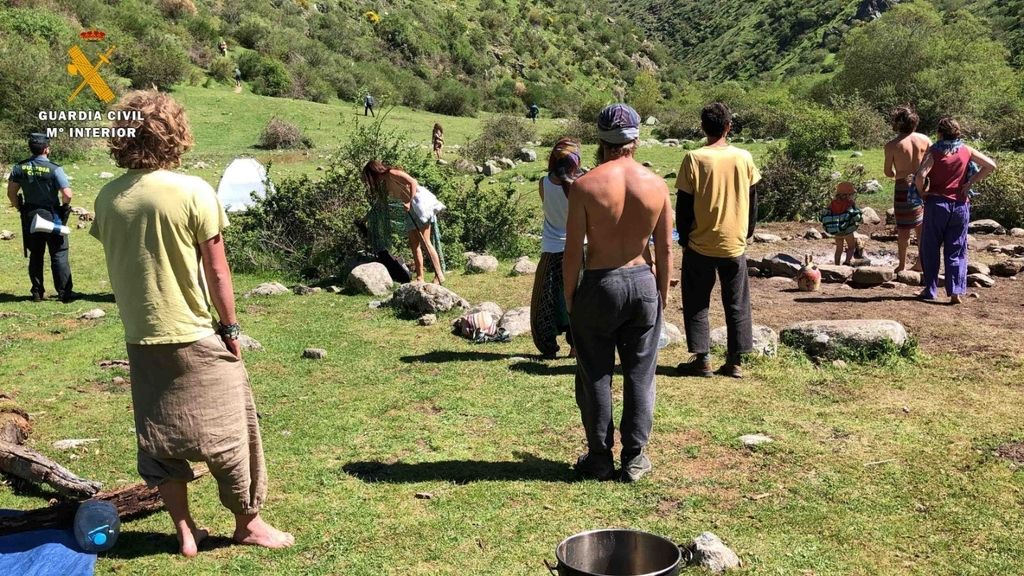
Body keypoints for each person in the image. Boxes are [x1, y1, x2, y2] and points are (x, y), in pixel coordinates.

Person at [89, 90, 294, 557]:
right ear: (174, 133)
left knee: (159, 440)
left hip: (142, 336)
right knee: (232, 432)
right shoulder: (193, 191)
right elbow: (218, 270)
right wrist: (232, 327)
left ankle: (186, 532)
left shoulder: (107, 197)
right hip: (194, 330)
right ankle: (248, 523)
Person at [564, 104, 671, 483]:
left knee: (595, 373)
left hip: (599, 283)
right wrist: (663, 291)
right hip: (642, 280)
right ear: (635, 140)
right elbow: (665, 248)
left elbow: (573, 250)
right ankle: (635, 458)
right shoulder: (656, 185)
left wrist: (570, 296)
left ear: (601, 141)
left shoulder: (584, 186)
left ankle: (599, 457)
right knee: (641, 373)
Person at [675, 102, 759, 379]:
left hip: (700, 243)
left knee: (697, 300)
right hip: (734, 243)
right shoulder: (744, 157)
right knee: (737, 301)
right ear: (728, 126)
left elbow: (684, 205)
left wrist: (684, 238)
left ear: (703, 127)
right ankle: (734, 360)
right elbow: (753, 200)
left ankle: (703, 358)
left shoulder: (694, 158)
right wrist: (746, 232)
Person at [914, 117, 996, 304]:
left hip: (937, 204)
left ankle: (930, 289)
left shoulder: (934, 151)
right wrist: (969, 183)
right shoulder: (967, 150)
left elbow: (920, 175)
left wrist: (922, 192)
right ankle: (955, 292)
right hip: (960, 205)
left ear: (940, 133)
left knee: (930, 248)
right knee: (956, 249)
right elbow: (991, 166)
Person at [6, 133, 75, 302]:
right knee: (59, 252)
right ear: (46, 149)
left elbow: (11, 193)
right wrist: (64, 207)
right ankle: (64, 292)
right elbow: (67, 194)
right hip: (52, 215)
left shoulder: (19, 167)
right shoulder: (54, 168)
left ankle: (37, 292)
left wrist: (19, 207)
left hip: (30, 214)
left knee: (36, 254)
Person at [530, 138, 582, 359]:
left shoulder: (543, 183)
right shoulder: (581, 185)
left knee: (548, 300)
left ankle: (548, 345)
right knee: (577, 298)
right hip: (579, 249)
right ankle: (576, 346)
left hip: (551, 249)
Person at [362, 161, 445, 284]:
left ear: (374, 172)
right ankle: (420, 277)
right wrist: (366, 218)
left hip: (419, 205)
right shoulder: (384, 182)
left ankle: (439, 275)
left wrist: (409, 202)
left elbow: (413, 182)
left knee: (425, 242)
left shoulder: (392, 173)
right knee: (414, 244)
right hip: (409, 210)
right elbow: (380, 202)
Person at [884, 105, 931, 273]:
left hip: (903, 186)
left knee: (903, 228)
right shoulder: (925, 139)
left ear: (897, 123)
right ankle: (921, 262)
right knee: (921, 226)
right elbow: (932, 162)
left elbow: (888, 172)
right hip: (923, 185)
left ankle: (902, 264)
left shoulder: (892, 145)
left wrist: (900, 173)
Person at [822, 181, 862, 266]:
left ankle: (837, 265)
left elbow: (827, 212)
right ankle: (847, 262)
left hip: (836, 230)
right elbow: (856, 216)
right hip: (847, 230)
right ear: (849, 194)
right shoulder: (850, 203)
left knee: (838, 249)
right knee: (851, 247)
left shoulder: (832, 203)